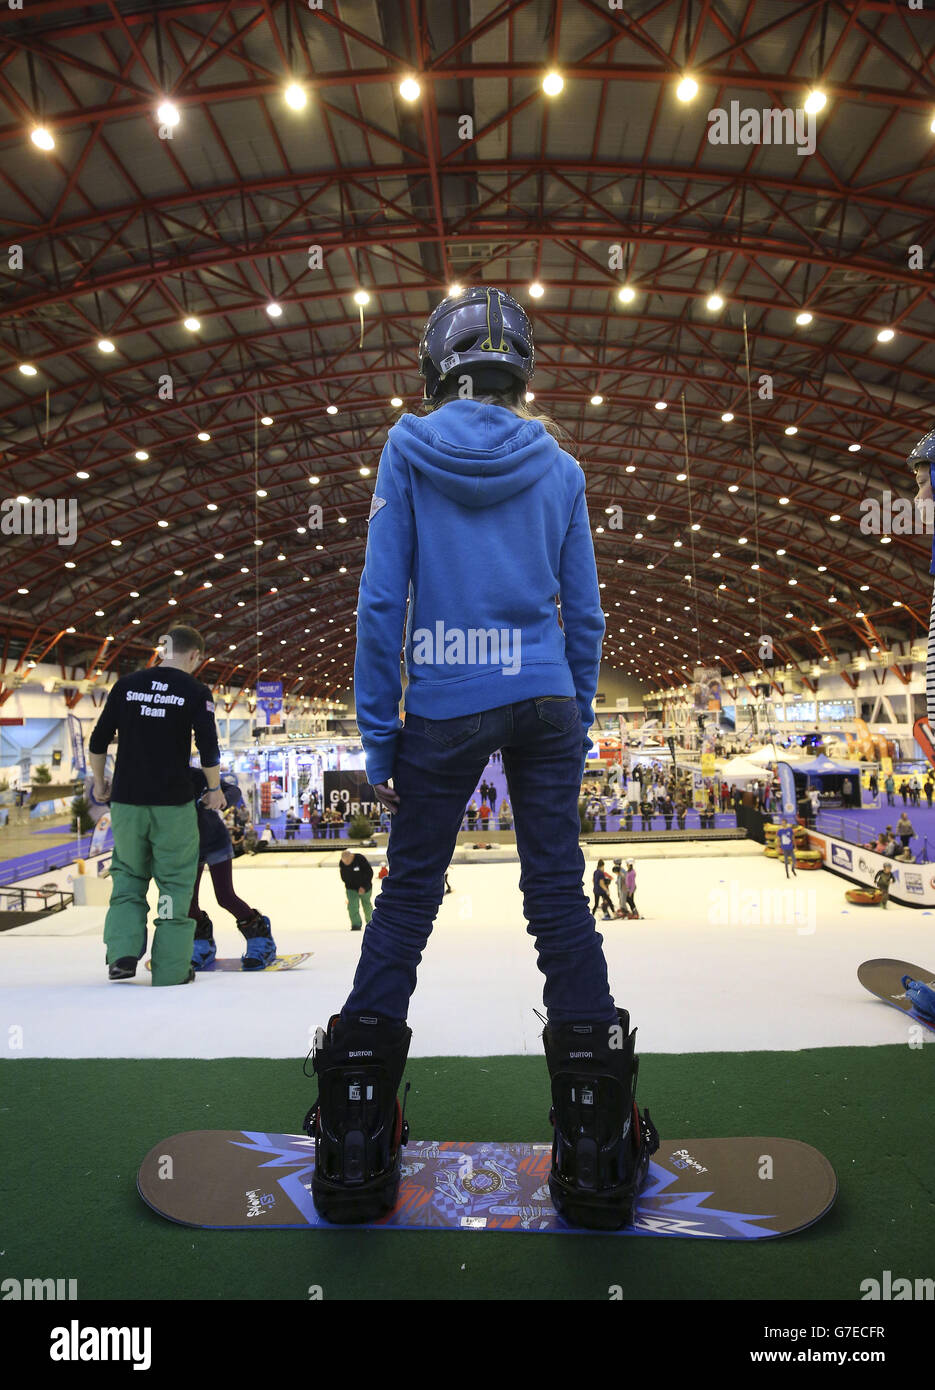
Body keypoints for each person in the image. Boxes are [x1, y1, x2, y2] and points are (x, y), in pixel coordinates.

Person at [305, 286, 656, 1231]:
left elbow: (383, 603)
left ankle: (354, 1138)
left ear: (437, 370)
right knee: (555, 897)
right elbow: (583, 612)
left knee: (410, 895)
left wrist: (381, 729)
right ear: (518, 371)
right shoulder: (560, 467)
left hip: (446, 700)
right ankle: (594, 1149)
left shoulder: (407, 450)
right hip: (543, 694)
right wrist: (575, 715)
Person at [87, 624, 224, 986]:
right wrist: (214, 789)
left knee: (128, 878)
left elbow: (98, 742)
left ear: (163, 649)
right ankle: (169, 968)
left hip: (127, 803)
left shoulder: (126, 685)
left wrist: (100, 783)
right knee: (173, 885)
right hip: (171, 806)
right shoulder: (195, 691)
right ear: (194, 655)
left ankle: (122, 954)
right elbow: (209, 748)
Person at [187, 766, 276, 970]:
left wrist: (221, 798)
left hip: (215, 842)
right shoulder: (157, 779)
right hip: (186, 848)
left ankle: (261, 939)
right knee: (188, 902)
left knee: (225, 896)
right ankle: (202, 943)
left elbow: (233, 790)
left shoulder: (195, 776)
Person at [339, 847, 373, 931]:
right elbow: (344, 877)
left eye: (347, 861)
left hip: (365, 887)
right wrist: (352, 887)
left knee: (367, 905)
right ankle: (356, 925)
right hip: (351, 888)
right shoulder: (342, 863)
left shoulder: (360, 859)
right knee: (352, 906)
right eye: (344, 862)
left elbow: (369, 873)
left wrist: (363, 887)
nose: (346, 863)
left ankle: (371, 923)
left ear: (351, 857)